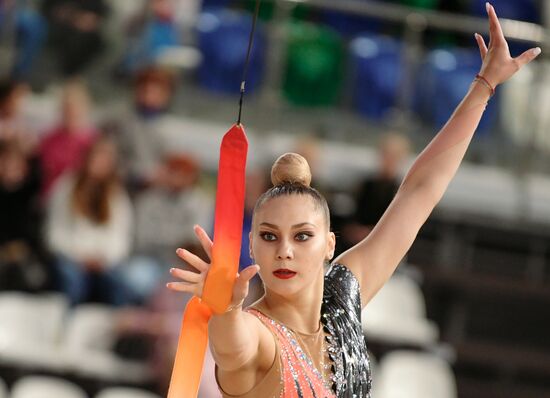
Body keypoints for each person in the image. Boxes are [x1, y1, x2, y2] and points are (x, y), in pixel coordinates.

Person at [166, 5, 541, 397]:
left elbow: (419, 192)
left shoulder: (343, 294)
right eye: (270, 236)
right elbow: (232, 348)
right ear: (252, 246)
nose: (285, 252)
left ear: (330, 244)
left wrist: (484, 85)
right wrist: (226, 309)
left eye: (303, 236)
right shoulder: (257, 336)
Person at [45, 135, 132, 305]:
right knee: (72, 280)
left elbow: (121, 236)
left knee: (120, 284)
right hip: (72, 256)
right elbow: (54, 231)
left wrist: (105, 258)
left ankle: (116, 327)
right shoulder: (66, 187)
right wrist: (79, 256)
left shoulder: (116, 196)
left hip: (103, 260)